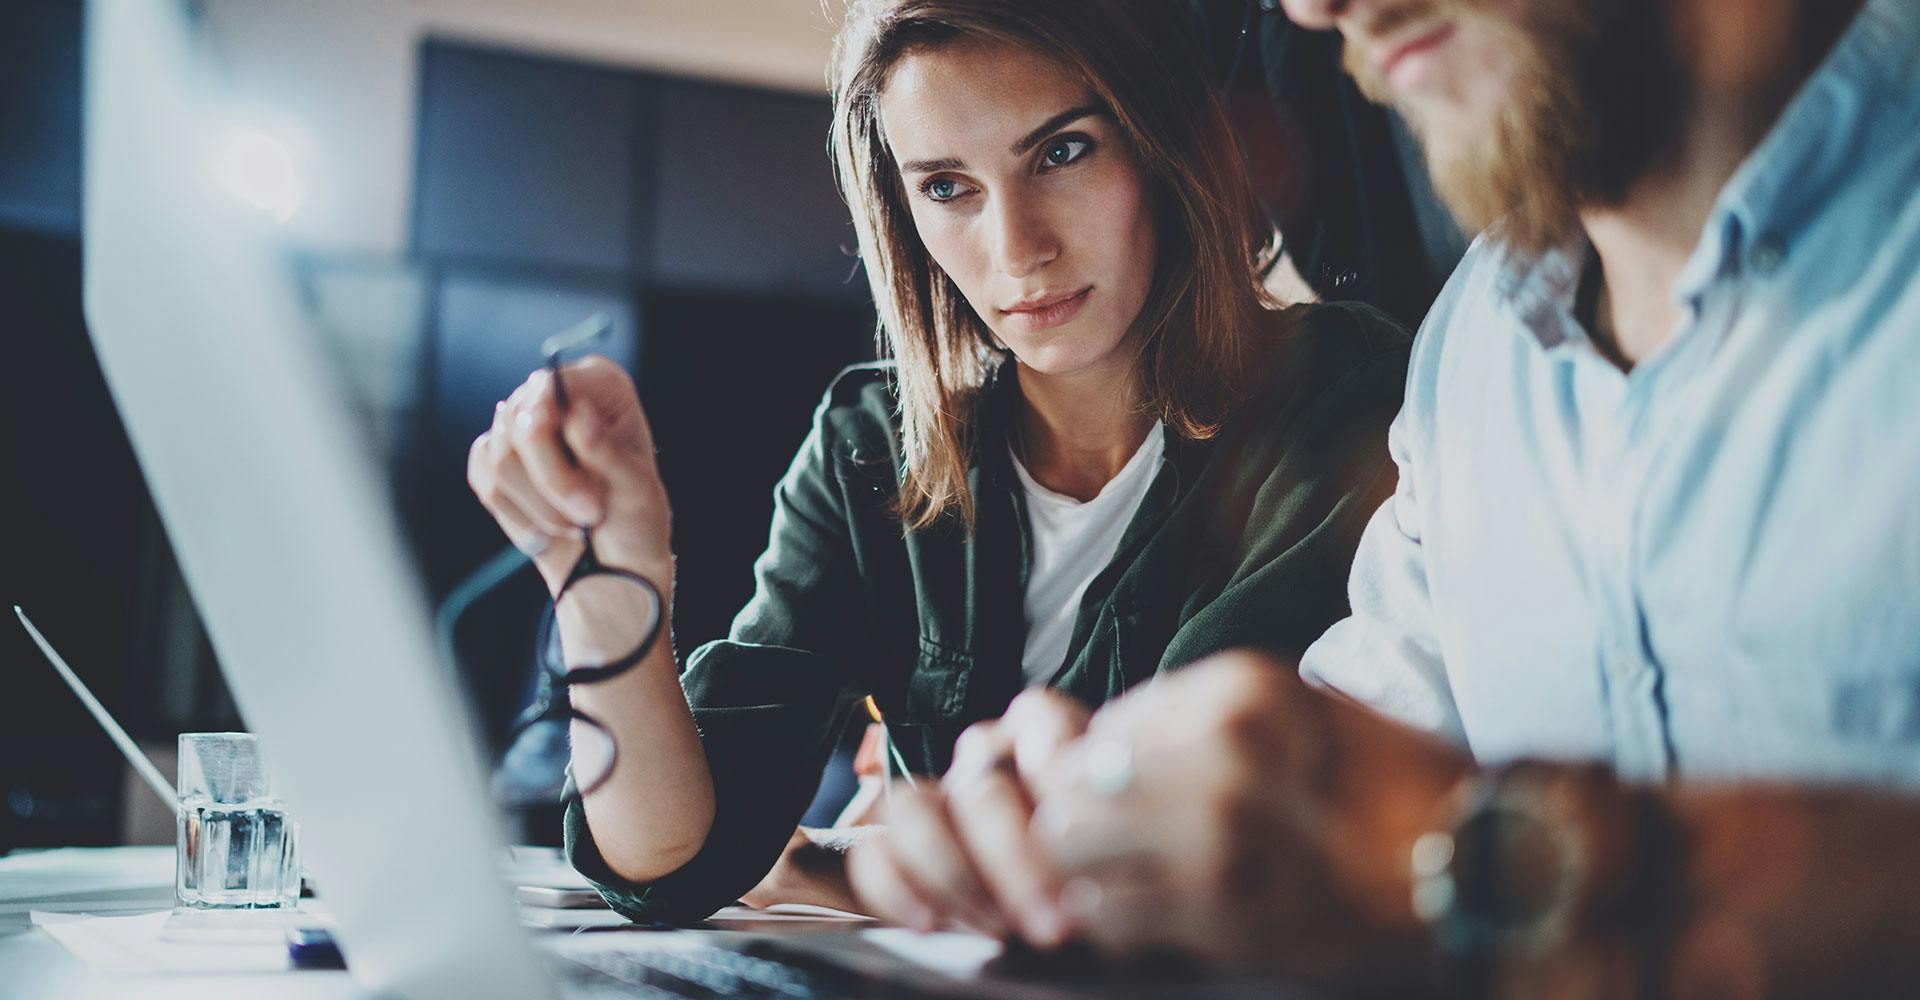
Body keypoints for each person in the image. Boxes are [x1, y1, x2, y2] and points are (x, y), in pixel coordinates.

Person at [850, 0, 1920, 992]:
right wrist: (1105, 826)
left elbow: (1409, 843)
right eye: (945, 186)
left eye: (1065, 150)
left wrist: (1513, 865)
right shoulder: (1473, 350)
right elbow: (1340, 765)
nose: (1318, 8)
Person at [466, 0, 1410, 924]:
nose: (1018, 248)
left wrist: (842, 868)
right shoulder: (869, 446)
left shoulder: (1334, 400)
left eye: (1064, 151)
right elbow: (667, 862)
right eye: (948, 187)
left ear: (1164, 145)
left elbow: (1155, 829)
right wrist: (603, 579)